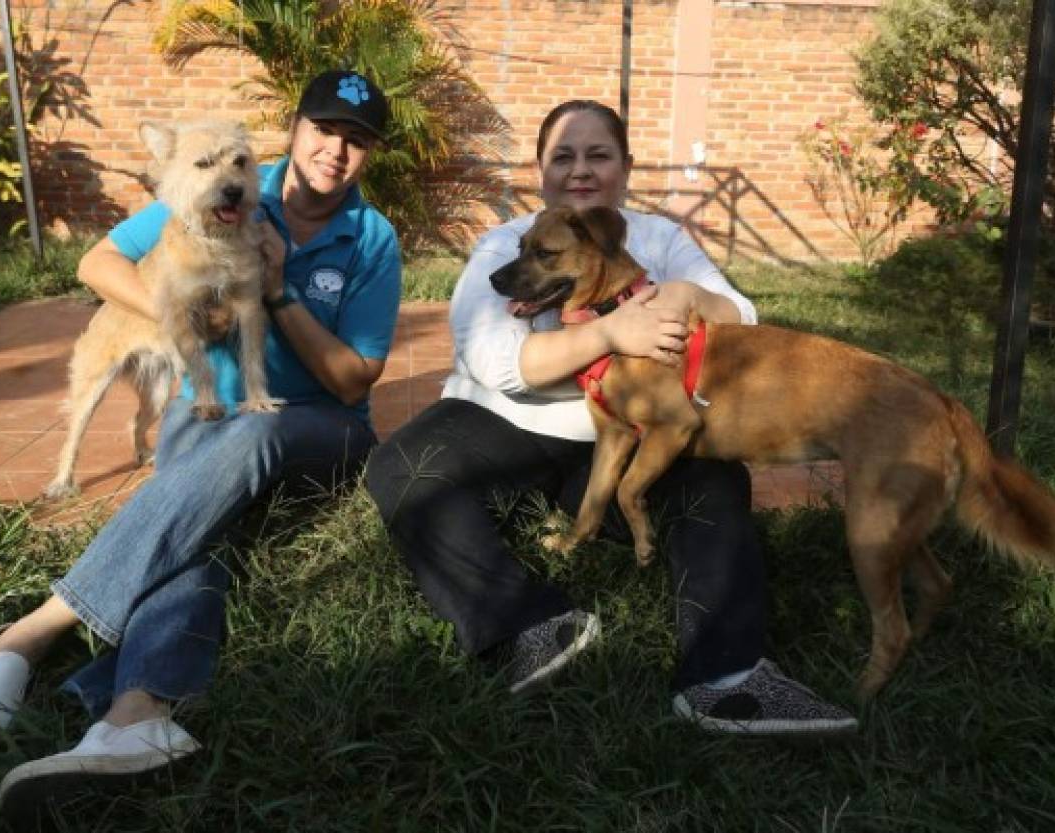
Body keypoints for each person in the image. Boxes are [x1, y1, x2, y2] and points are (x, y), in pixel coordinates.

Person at [0, 70, 402, 809]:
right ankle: (134, 718)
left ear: (369, 154)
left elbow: (354, 381)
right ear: (294, 130)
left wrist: (280, 293)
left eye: (357, 141)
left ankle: (29, 633)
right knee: (200, 522)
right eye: (324, 130)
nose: (336, 151)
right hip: (209, 408)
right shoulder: (214, 180)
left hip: (323, 431)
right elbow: (97, 262)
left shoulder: (373, 239)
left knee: (257, 431)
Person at [364, 100, 857, 738]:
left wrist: (688, 295)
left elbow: (741, 315)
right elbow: (494, 362)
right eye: (562, 157)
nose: (580, 170)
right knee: (402, 466)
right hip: (500, 422)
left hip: (621, 433)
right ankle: (528, 628)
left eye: (598, 155)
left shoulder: (659, 240)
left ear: (624, 167)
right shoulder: (503, 245)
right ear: (540, 171)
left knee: (716, 482)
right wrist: (613, 333)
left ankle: (728, 678)